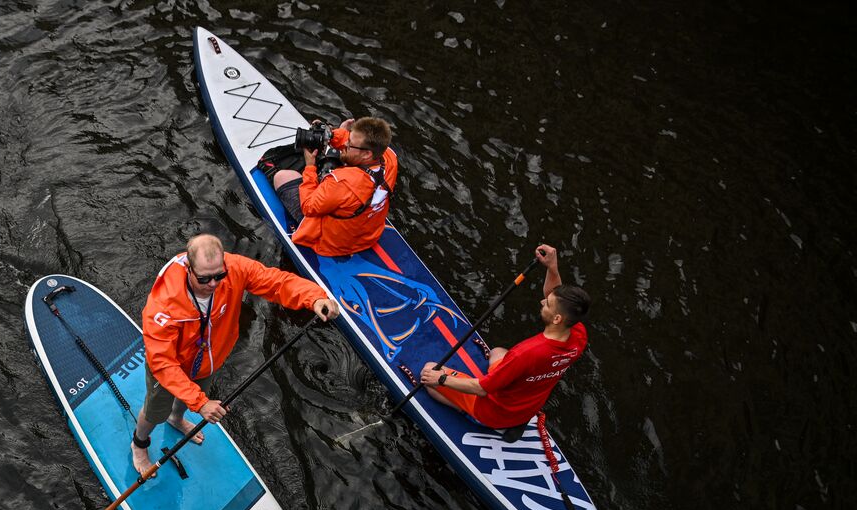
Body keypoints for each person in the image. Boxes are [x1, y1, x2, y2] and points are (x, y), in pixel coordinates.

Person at [131, 233, 340, 472]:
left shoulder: (233, 267)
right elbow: (163, 363)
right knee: (156, 411)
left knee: (194, 396)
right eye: (204, 279)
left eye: (219, 276)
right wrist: (201, 404)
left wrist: (313, 298)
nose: (213, 284)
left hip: (209, 359)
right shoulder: (163, 306)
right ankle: (139, 443)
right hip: (171, 369)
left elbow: (275, 281)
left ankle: (176, 419)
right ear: (189, 268)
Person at [418, 244, 589, 430]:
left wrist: (441, 379)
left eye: (547, 304)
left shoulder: (525, 353)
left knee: (428, 374)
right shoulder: (578, 334)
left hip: (493, 412)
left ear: (557, 318)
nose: (542, 301)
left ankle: (468, 412)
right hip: (526, 407)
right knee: (498, 352)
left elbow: (482, 389)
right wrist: (551, 267)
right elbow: (553, 294)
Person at [268, 117, 398, 257]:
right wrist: (332, 135)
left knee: (282, 177)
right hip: (369, 236)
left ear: (367, 154)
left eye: (350, 144)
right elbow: (350, 142)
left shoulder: (341, 182)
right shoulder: (390, 157)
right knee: (339, 158)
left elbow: (308, 207)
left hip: (333, 243)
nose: (346, 143)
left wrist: (310, 166)